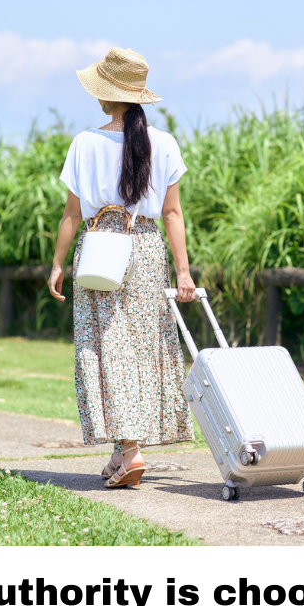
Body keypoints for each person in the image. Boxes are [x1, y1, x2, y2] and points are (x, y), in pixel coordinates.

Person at [47, 47, 195, 488]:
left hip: (98, 248)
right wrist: (184, 272)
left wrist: (56, 264)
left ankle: (128, 450)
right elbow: (172, 214)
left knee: (106, 347)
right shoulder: (164, 143)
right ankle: (124, 449)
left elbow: (71, 214)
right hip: (147, 251)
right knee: (141, 347)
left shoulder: (84, 143)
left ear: (104, 95)